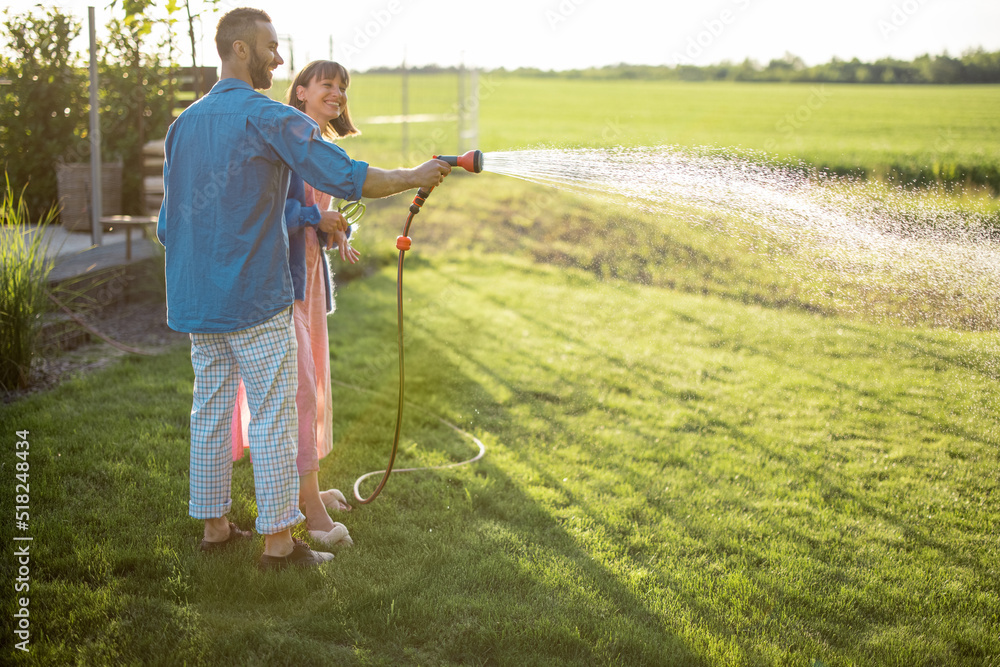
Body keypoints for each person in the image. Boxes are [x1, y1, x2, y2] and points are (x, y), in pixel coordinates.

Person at [156, 7, 450, 570]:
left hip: (198, 305)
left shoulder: (183, 125)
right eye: (270, 46)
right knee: (271, 417)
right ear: (240, 49)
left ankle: (216, 530)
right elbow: (344, 175)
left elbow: (169, 226)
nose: (279, 58)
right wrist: (413, 176)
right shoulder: (269, 117)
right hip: (258, 298)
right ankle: (279, 545)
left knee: (213, 411)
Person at [230, 59, 364, 548]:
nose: (337, 92)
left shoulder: (318, 144)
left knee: (313, 387)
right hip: (282, 286)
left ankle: (309, 485)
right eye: (327, 84)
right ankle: (307, 507)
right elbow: (271, 210)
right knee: (300, 392)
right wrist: (315, 216)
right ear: (301, 91)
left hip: (309, 284)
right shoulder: (286, 140)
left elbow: (319, 216)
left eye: (343, 87)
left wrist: (335, 228)